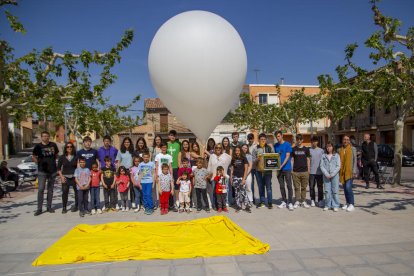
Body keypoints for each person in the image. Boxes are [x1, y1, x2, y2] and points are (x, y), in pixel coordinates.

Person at [33, 131, 59, 216]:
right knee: (41, 189)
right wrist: (38, 162)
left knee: (50, 190)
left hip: (52, 171)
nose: (46, 137)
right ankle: (39, 209)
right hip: (42, 171)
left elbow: (56, 155)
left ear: (49, 137)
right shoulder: (38, 146)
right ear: (41, 137)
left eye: (47, 136)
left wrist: (54, 163)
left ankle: (49, 207)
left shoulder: (53, 145)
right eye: (44, 136)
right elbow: (34, 156)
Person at [252, 133, 274, 209]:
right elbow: (253, 160)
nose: (263, 141)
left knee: (268, 187)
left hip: (268, 171)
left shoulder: (269, 147)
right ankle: (262, 202)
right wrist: (257, 159)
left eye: (264, 139)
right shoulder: (255, 148)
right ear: (259, 140)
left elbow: (274, 158)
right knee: (260, 187)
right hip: (258, 171)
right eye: (261, 139)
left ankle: (270, 202)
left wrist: (272, 148)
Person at [207, 143, 232, 210]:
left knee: (223, 192)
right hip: (214, 177)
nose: (218, 149)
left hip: (222, 178)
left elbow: (231, 159)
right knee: (214, 192)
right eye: (217, 148)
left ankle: (223, 205)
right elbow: (209, 166)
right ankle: (215, 205)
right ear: (214, 149)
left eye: (220, 148)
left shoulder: (225, 156)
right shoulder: (212, 156)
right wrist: (208, 174)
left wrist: (223, 155)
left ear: (222, 149)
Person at [273, 131, 294, 211]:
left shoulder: (287, 144)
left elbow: (287, 156)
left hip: (287, 169)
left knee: (289, 186)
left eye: (279, 136)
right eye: (276, 137)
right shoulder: (275, 146)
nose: (278, 138)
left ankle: (290, 202)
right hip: (278, 170)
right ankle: (284, 201)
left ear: (282, 136)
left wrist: (281, 166)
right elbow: (275, 157)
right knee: (281, 186)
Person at [57, 142, 78, 213]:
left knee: (76, 192)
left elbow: (78, 168)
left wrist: (78, 177)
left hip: (74, 177)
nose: (69, 148)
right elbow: (58, 168)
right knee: (65, 192)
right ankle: (64, 207)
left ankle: (76, 206)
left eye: (71, 147)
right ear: (65, 148)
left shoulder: (76, 157)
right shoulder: (62, 157)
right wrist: (61, 177)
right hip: (65, 177)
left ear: (73, 148)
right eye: (68, 147)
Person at [339, 135, 358, 212]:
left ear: (349, 141)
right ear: (342, 140)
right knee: (345, 189)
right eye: (344, 139)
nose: (346, 141)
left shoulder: (353, 149)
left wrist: (354, 171)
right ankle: (347, 203)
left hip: (349, 172)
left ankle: (352, 204)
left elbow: (355, 160)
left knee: (348, 188)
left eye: (347, 139)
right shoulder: (340, 150)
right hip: (342, 172)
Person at [320, 141, 341, 212]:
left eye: (330, 146)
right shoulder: (323, 156)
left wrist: (332, 174)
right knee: (327, 191)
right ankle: (327, 205)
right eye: (327, 146)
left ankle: (335, 205)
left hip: (334, 176)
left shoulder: (337, 155)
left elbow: (338, 166)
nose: (329, 148)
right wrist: (326, 174)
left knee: (335, 191)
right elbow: (321, 166)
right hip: (326, 176)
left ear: (332, 147)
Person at [291, 134, 311, 209]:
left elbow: (308, 160)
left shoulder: (306, 149)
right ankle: (297, 200)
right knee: (296, 187)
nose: (299, 140)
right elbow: (292, 160)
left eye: (300, 139)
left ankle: (303, 201)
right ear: (296, 140)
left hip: (305, 171)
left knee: (304, 187)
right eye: (297, 139)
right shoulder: (293, 149)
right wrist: (292, 170)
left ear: (302, 140)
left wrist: (308, 170)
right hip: (295, 171)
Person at [230, 145, 250, 213]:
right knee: (236, 192)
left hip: (241, 177)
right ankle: (238, 206)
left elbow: (246, 169)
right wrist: (231, 178)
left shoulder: (244, 158)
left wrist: (244, 179)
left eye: (238, 151)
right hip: (235, 177)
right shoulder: (233, 159)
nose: (237, 152)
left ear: (240, 151)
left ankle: (247, 206)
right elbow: (232, 169)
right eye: (236, 151)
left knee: (243, 192)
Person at [115, 137, 134, 209]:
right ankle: (123, 203)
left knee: (131, 187)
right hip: (122, 171)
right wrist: (118, 171)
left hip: (130, 170)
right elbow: (118, 161)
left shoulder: (132, 151)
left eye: (128, 142)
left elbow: (133, 160)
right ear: (123, 143)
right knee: (122, 186)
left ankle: (132, 202)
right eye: (125, 142)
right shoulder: (120, 151)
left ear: (130, 143)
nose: (127, 143)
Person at [167, 130, 181, 211]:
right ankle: (170, 203)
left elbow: (179, 154)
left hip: (176, 167)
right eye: (171, 135)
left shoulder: (178, 144)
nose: (172, 137)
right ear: (168, 136)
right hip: (168, 168)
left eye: (174, 135)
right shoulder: (166, 144)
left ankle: (177, 201)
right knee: (169, 185)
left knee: (176, 184)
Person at [309, 136, 324, 207]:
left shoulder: (321, 150)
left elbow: (324, 161)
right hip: (311, 172)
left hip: (320, 172)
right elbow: (308, 161)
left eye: (315, 141)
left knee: (320, 187)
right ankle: (312, 200)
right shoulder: (309, 150)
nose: (314, 143)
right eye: (312, 141)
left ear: (317, 142)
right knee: (311, 187)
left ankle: (320, 200)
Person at [241, 144, 254, 208]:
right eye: (243, 147)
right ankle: (244, 201)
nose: (244, 149)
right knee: (242, 188)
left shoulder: (249, 156)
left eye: (246, 148)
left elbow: (250, 166)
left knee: (248, 188)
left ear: (247, 149)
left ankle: (250, 200)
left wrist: (245, 175)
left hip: (248, 174)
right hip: (241, 174)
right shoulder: (239, 155)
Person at [247, 133, 257, 202]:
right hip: (250, 168)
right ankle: (252, 198)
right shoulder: (247, 146)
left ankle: (260, 198)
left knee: (259, 183)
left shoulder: (256, 145)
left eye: (251, 139)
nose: (250, 140)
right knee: (251, 184)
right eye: (249, 139)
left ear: (253, 138)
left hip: (256, 167)